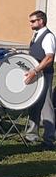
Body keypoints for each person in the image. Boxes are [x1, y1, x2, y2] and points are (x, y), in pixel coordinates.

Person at [24, 10, 55, 148]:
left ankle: (49, 139)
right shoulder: (36, 35)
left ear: (41, 21)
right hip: (36, 74)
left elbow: (49, 58)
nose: (30, 24)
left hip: (44, 75)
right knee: (34, 104)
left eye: (33, 21)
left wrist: (35, 71)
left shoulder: (48, 37)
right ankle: (32, 135)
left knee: (46, 106)